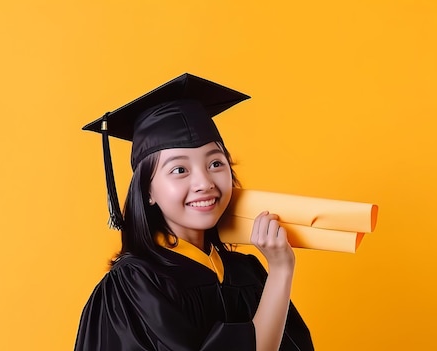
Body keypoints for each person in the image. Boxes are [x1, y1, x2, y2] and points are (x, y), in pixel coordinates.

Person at [75, 73, 314, 350]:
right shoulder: (134, 284)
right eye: (179, 170)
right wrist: (282, 270)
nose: (204, 183)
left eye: (215, 164)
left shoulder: (247, 272)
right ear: (148, 191)